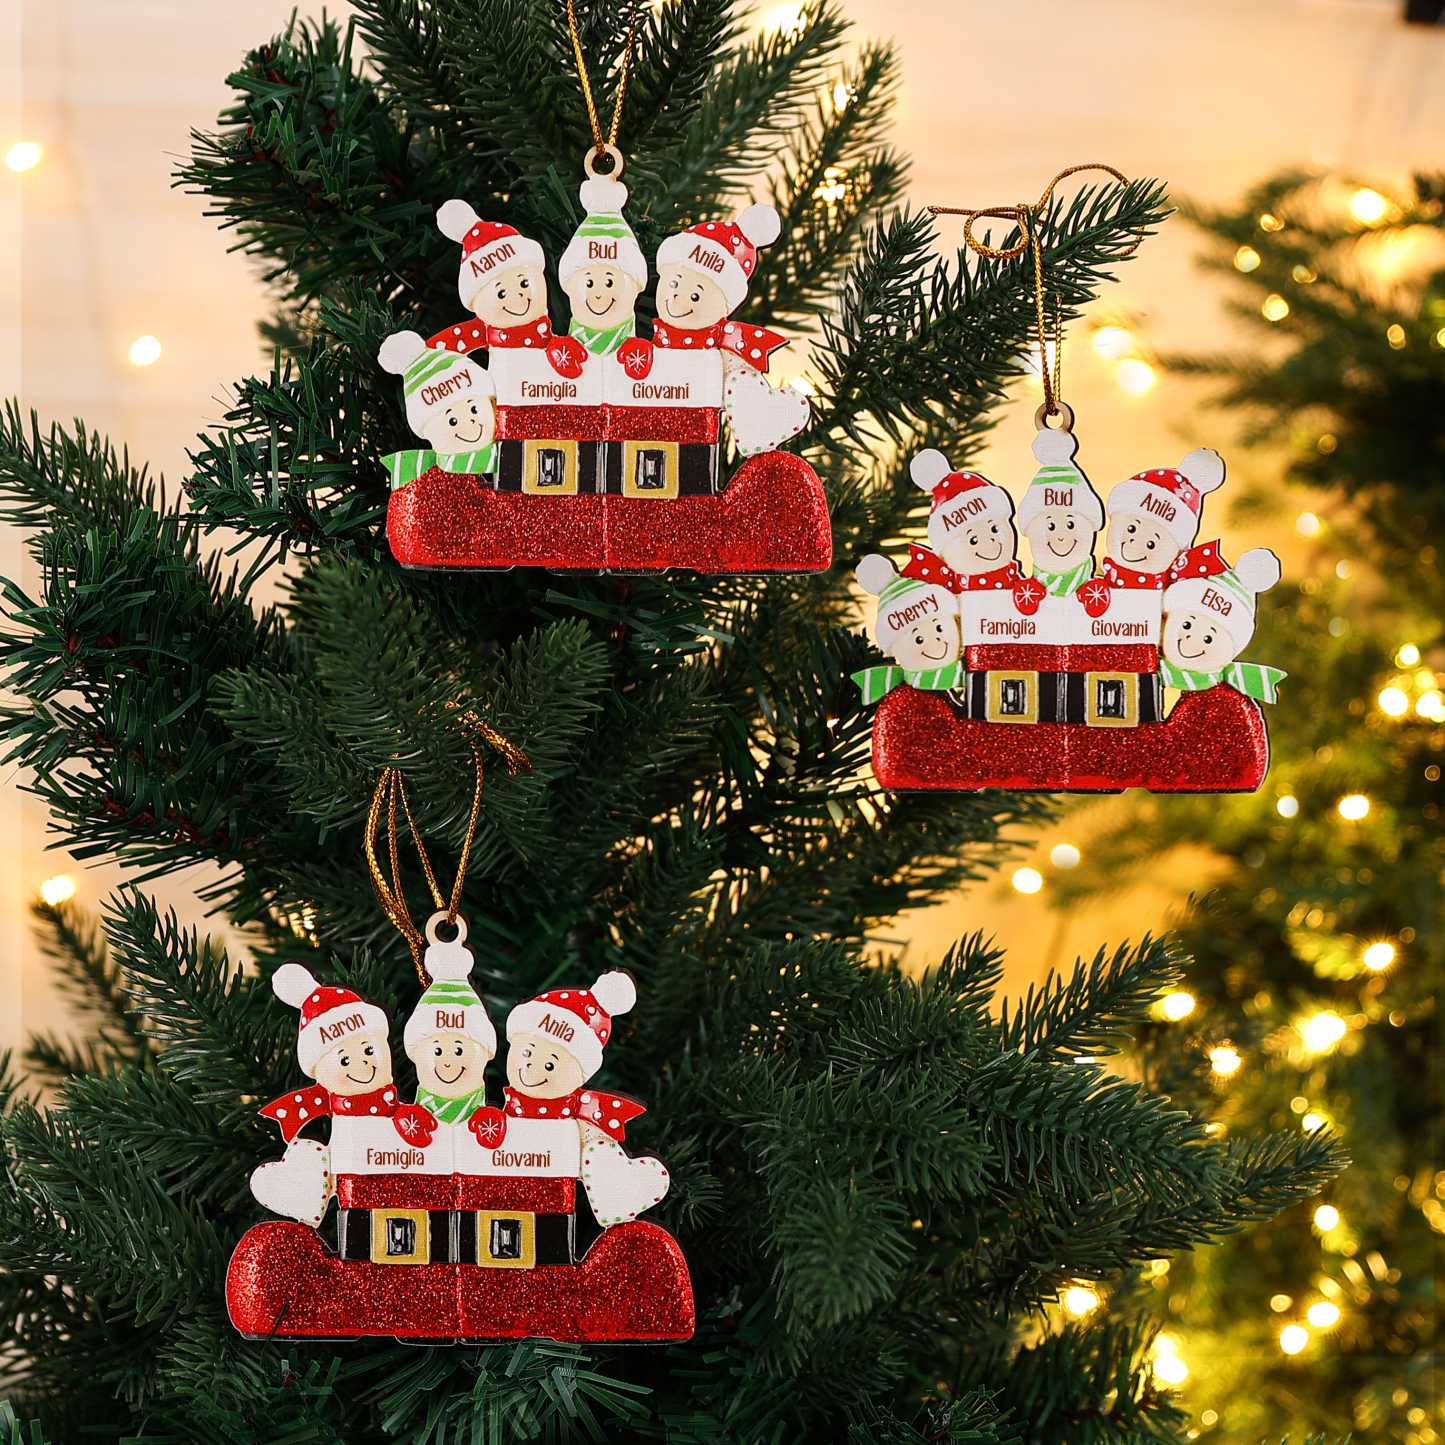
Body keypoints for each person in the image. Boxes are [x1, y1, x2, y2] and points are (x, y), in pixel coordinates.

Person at [377, 330, 496, 489]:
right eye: (453, 421)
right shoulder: (435, 483)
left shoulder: (513, 452)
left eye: (474, 409)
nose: (469, 421)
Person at [1102, 450, 1228, 592]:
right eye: (1131, 529)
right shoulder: (1094, 589)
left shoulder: (1170, 596)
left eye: (1151, 544)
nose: (1135, 542)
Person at [851, 553, 962, 704]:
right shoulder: (903, 701)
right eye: (919, 639)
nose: (935, 639)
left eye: (939, 628)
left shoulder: (971, 670)